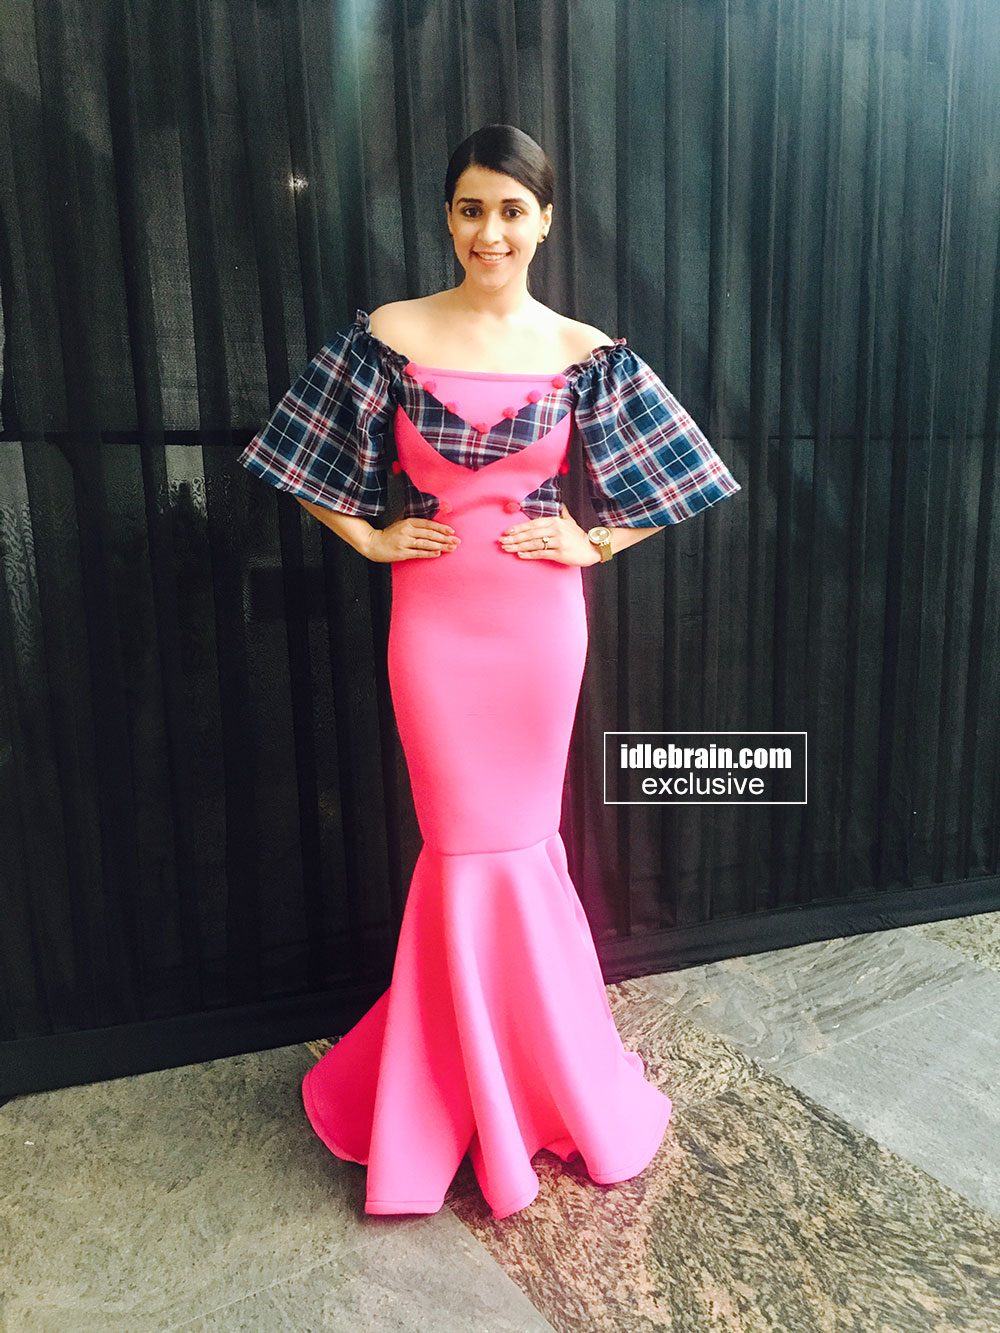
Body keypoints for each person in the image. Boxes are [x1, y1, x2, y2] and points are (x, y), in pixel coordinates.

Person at [237, 124, 741, 1219]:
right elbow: (296, 454)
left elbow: (685, 473)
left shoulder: (583, 349)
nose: (491, 231)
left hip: (538, 629)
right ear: (448, 218)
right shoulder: (389, 334)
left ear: (545, 221)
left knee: (521, 842)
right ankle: (448, 1091)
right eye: (472, 209)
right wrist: (371, 537)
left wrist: (595, 540)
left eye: (512, 210)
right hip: (432, 625)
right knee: (460, 845)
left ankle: (537, 1078)